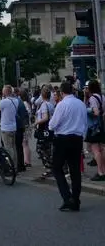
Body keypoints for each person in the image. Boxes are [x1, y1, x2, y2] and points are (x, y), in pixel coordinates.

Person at [49, 82, 87, 211]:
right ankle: (76, 199)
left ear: (61, 92)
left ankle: (67, 197)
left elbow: (53, 124)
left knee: (57, 168)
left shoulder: (62, 104)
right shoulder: (81, 104)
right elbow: (84, 122)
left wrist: (51, 126)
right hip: (77, 138)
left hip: (63, 139)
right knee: (75, 170)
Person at [84, 79, 105, 181]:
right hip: (102, 125)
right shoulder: (102, 96)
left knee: (96, 150)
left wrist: (86, 109)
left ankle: (100, 172)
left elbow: (95, 112)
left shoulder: (92, 98)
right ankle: (103, 170)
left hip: (94, 127)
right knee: (102, 149)